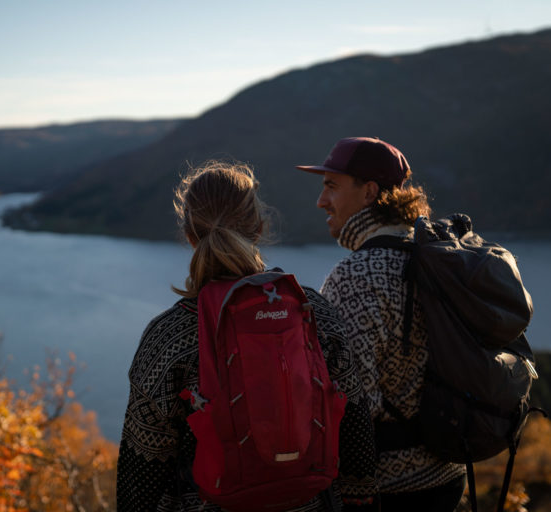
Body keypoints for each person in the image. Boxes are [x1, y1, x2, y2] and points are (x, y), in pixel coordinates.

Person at [117, 161, 379, 512]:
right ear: (258, 227)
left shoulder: (168, 336)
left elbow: (143, 464)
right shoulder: (311, 310)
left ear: (190, 235)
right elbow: (354, 423)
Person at [295, 137, 467, 511]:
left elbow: (352, 402)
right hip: (448, 473)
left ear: (369, 191)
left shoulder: (357, 276)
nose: (321, 201)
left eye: (331, 186)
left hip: (388, 490)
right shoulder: (434, 258)